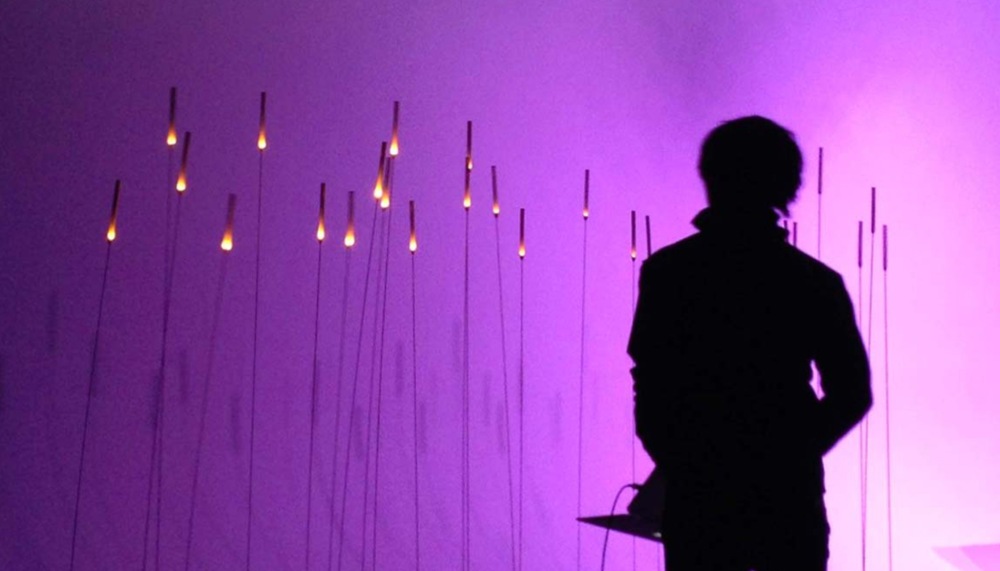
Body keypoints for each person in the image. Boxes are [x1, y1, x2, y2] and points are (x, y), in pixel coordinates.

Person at [628, 116, 872, 571]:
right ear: (786, 185)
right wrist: (790, 453)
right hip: (787, 500)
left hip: (699, 498)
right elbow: (852, 393)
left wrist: (684, 459)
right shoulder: (814, 281)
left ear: (711, 177)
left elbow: (652, 382)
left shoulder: (669, 273)